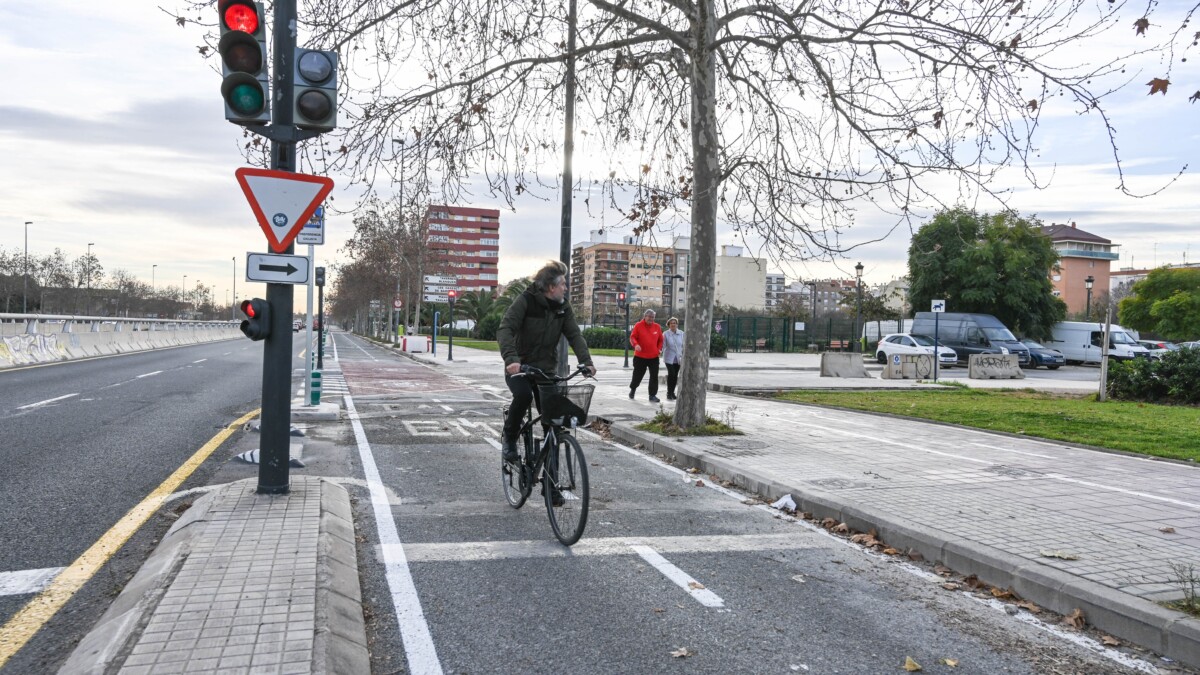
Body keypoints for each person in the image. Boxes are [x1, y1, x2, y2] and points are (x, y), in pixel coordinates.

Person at [496, 260, 596, 463]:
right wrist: (511, 359)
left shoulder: (563, 307)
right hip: (520, 368)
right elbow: (505, 329)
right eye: (563, 284)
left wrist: (586, 361)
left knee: (553, 423)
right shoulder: (526, 300)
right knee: (523, 396)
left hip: (545, 370)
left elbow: (575, 335)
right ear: (551, 287)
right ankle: (510, 438)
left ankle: (552, 488)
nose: (566, 288)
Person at [628, 309, 663, 403]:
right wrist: (636, 345)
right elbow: (632, 337)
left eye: (653, 317)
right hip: (640, 357)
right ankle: (633, 389)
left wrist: (659, 349)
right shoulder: (638, 325)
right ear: (645, 316)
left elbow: (660, 340)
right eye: (649, 317)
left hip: (654, 357)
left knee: (654, 376)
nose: (651, 319)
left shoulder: (657, 327)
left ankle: (652, 395)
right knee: (637, 375)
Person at [662, 317, 684, 400]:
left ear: (677, 324)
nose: (673, 324)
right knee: (671, 374)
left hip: (678, 358)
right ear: (668, 325)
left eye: (674, 323)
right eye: (671, 323)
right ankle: (669, 393)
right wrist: (659, 351)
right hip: (669, 358)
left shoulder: (682, 333)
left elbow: (684, 345)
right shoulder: (666, 334)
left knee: (675, 376)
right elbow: (663, 345)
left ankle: (672, 393)